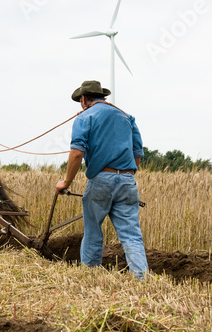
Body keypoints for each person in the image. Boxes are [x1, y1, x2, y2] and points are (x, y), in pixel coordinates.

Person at [55, 80, 149, 279]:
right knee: (131, 235)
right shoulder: (127, 117)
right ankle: (142, 279)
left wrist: (66, 183)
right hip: (128, 180)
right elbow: (138, 153)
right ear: (103, 97)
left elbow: (77, 153)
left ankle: (89, 277)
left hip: (100, 181)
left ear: (83, 99)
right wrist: (126, 175)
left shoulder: (85, 117)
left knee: (93, 232)